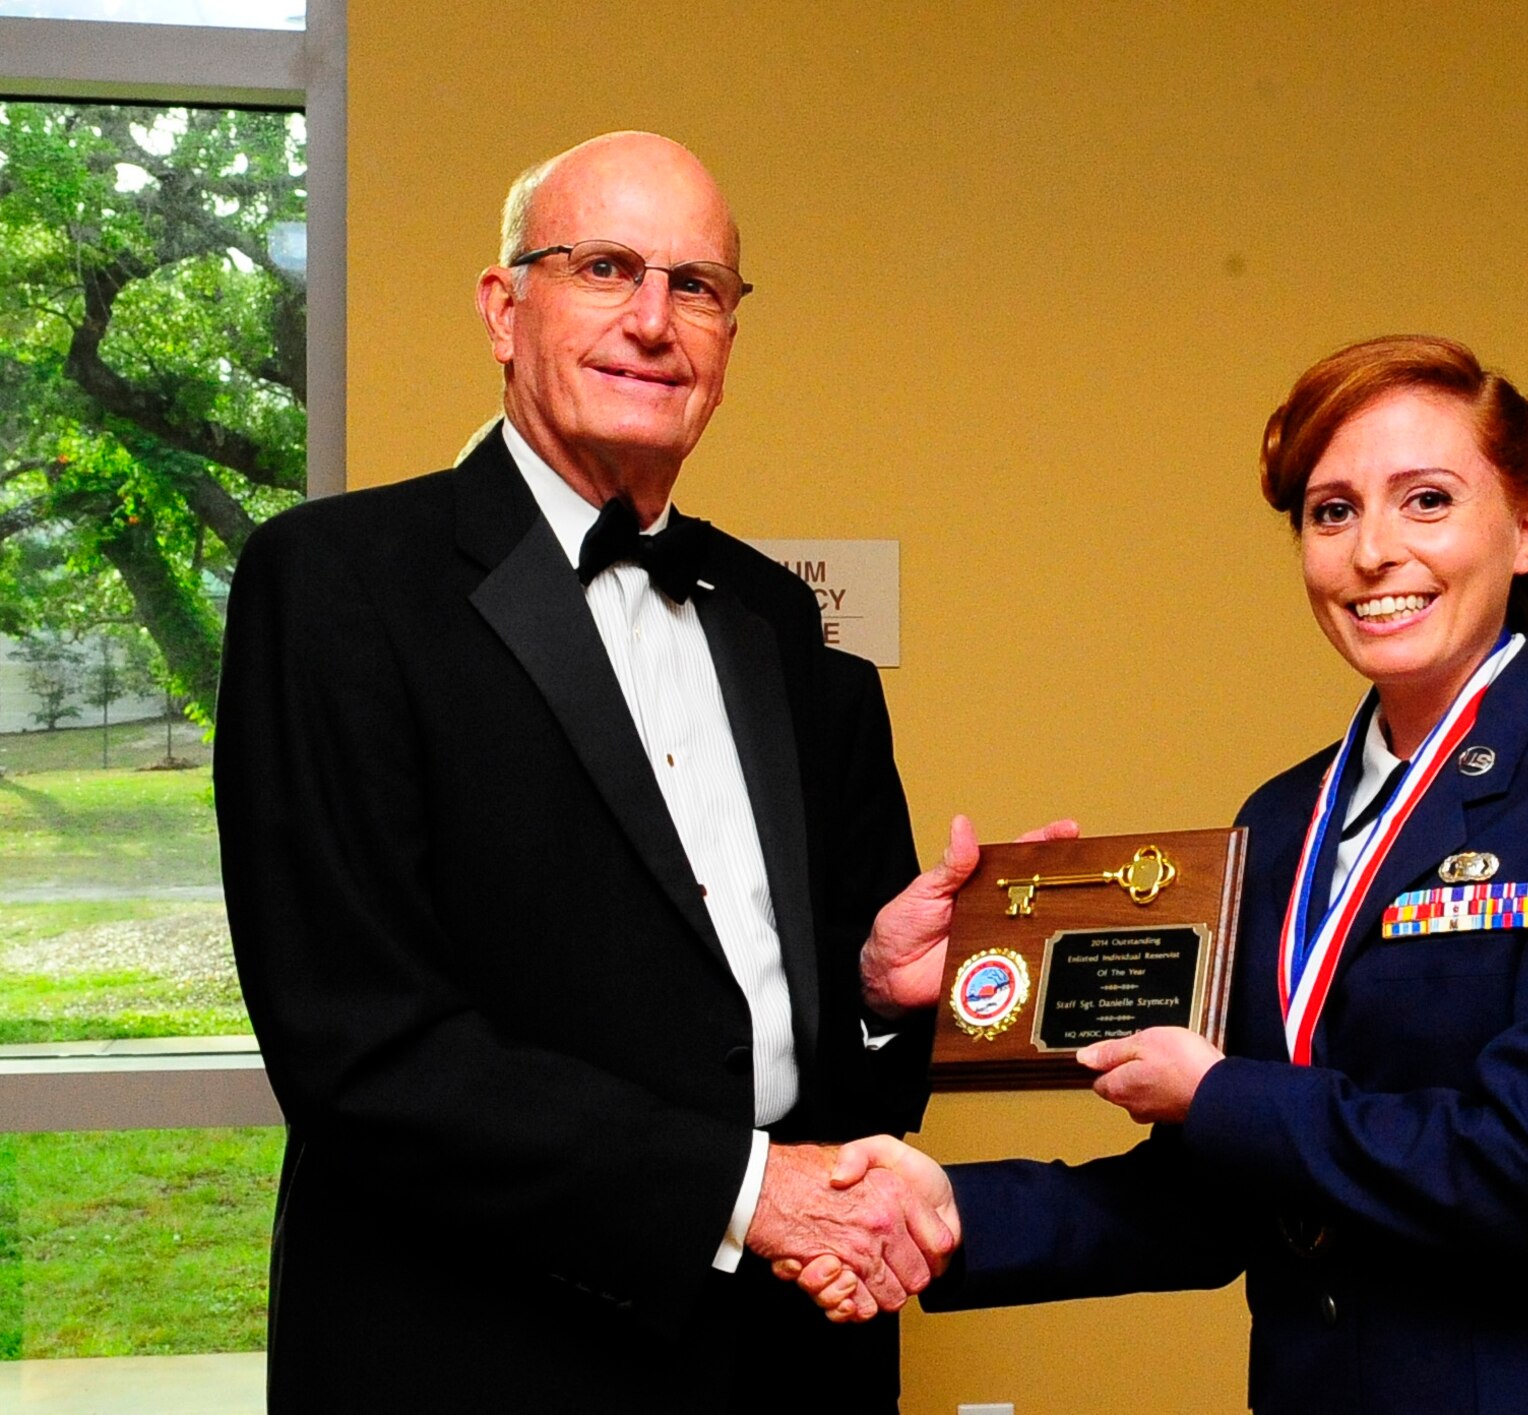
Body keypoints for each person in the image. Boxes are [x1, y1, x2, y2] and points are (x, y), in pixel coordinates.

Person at [215, 131, 1042, 1413]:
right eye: (605, 267)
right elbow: (361, 1049)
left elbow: (835, 1065)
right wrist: (739, 1190)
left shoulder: (780, 619)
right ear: (505, 306)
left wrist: (877, 993)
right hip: (479, 1352)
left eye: (696, 285)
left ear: (727, 337)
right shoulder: (332, 585)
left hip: (787, 1353)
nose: (654, 321)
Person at [789, 335, 1528, 1415]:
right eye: (1330, 511)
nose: (1372, 551)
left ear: (1525, 526)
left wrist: (1217, 1090)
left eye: (1424, 500)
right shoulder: (1283, 817)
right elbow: (1215, 1194)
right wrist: (949, 1210)